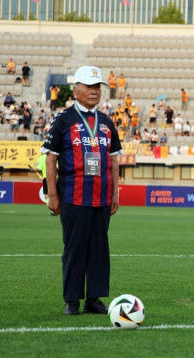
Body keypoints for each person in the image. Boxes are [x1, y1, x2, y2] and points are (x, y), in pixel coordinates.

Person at [41, 65, 123, 315]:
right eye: (88, 86)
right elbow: (50, 159)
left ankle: (94, 299)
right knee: (74, 248)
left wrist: (115, 194)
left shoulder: (107, 122)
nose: (94, 91)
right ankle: (72, 300)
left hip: (101, 198)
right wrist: (53, 195)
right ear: (75, 89)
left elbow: (114, 160)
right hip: (72, 197)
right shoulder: (63, 119)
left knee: (99, 250)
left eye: (97, 87)